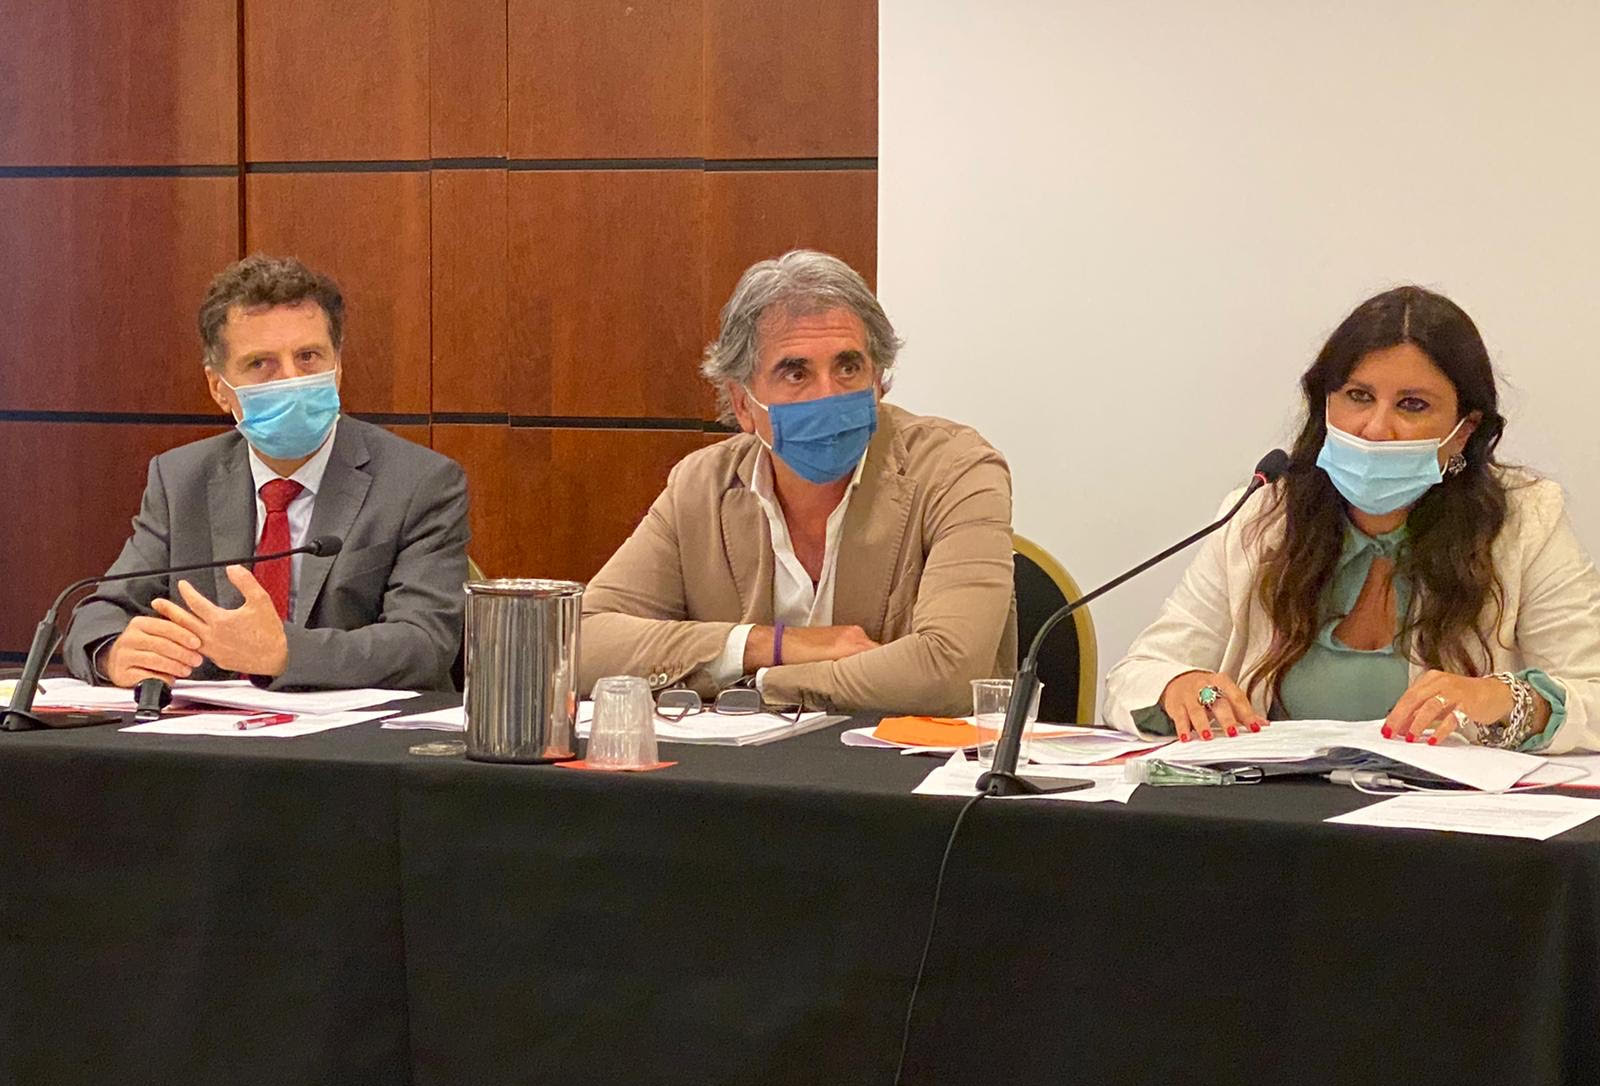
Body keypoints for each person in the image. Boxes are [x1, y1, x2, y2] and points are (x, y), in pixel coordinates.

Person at [1105, 285, 1600, 753]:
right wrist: (1187, 687)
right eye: (1358, 396)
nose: (1376, 428)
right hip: (1276, 804)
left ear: (1465, 429)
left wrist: (1509, 701)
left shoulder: (1526, 521)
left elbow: (1592, 696)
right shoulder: (1263, 515)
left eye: (1412, 405)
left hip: (1450, 812)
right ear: (1325, 404)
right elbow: (1138, 675)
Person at [579, 249, 1017, 715]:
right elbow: (580, 643)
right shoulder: (702, 486)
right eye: (796, 373)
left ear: (878, 380)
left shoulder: (955, 470)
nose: (827, 395)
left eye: (848, 368)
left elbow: (949, 672)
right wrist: (771, 644)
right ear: (743, 404)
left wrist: (762, 684)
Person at [63, 254, 469, 691]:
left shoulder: (420, 483)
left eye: (308, 357)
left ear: (338, 368)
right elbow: (99, 613)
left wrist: (284, 653)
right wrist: (112, 652)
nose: (291, 379)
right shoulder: (181, 480)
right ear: (219, 388)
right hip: (211, 730)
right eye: (261, 364)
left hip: (356, 732)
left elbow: (425, 643)